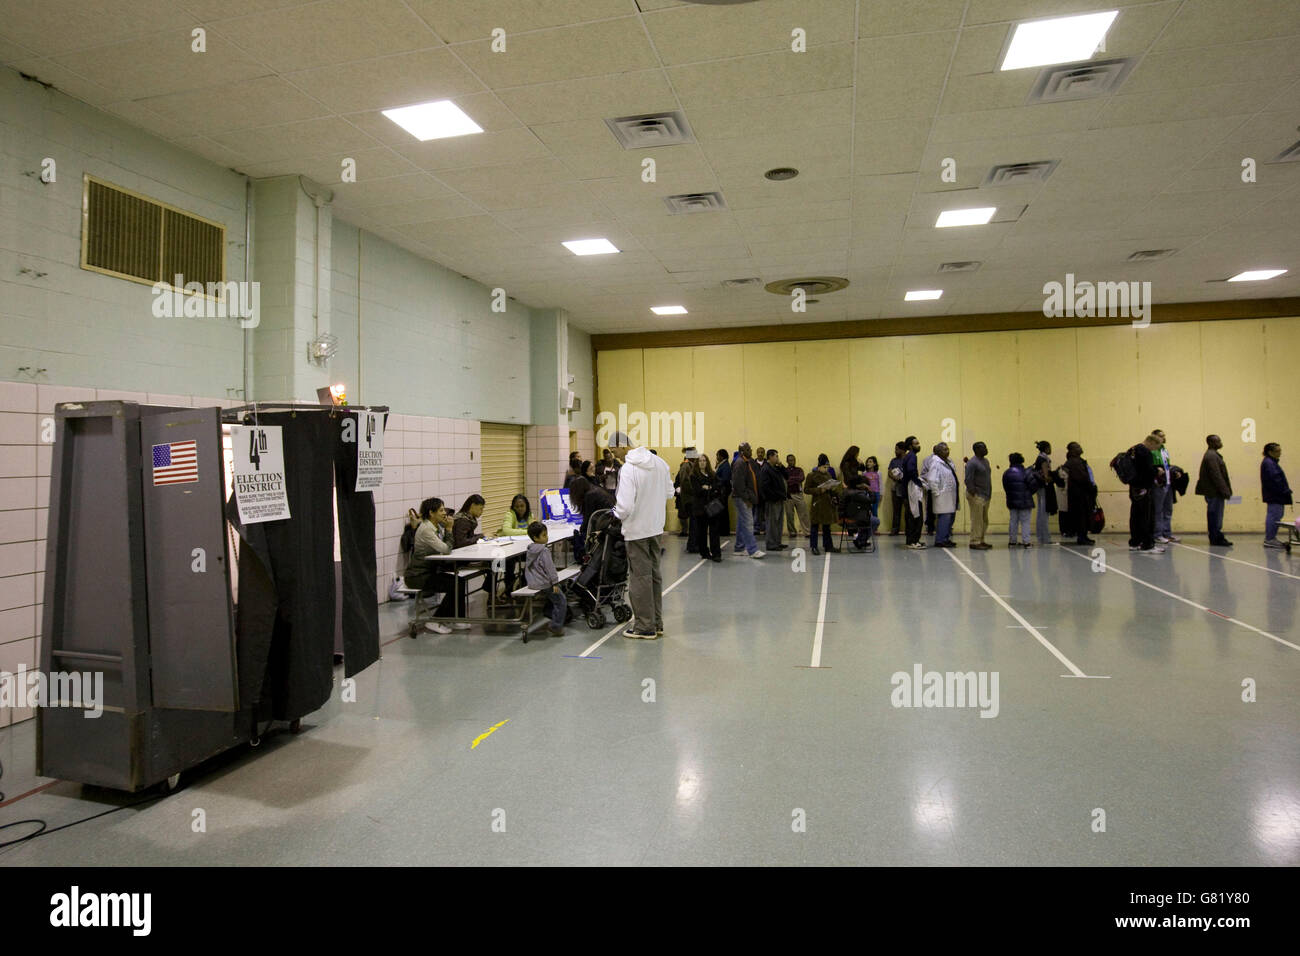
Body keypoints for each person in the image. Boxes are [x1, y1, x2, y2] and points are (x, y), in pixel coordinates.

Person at [612, 444, 675, 639]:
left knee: (640, 578)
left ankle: (644, 627)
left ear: (623, 446)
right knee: (654, 575)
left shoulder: (628, 469)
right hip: (655, 527)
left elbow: (624, 506)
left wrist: (615, 513)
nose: (615, 456)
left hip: (636, 531)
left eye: (615, 451)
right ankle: (656, 622)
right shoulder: (660, 463)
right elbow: (669, 493)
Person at [403, 497, 470, 633]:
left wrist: (446, 530)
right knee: (454, 584)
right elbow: (446, 549)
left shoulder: (436, 527)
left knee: (460, 581)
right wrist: (450, 529)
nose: (445, 513)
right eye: (441, 510)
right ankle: (435, 621)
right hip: (417, 576)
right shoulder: (426, 529)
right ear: (431, 513)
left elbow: (445, 547)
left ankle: (455, 618)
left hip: (430, 572)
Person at [524, 521, 566, 637]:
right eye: (544, 535)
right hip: (545, 583)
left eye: (546, 534)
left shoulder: (530, 550)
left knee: (555, 598)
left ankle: (549, 613)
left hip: (532, 583)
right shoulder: (544, 550)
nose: (547, 537)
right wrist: (555, 583)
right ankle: (555, 626)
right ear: (535, 538)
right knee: (561, 600)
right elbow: (550, 568)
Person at [1195, 434, 1233, 547]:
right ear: (1211, 443)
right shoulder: (1211, 456)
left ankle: (1217, 536)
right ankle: (1216, 538)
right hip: (1214, 492)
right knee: (1215, 516)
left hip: (1215, 492)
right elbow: (1216, 476)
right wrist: (1225, 491)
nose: (1220, 443)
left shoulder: (1213, 455)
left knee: (1215, 515)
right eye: (1218, 441)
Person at [1128, 434, 1163, 553]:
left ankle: (1135, 542)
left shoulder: (1133, 449)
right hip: (1144, 488)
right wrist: (1157, 471)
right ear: (1151, 442)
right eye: (1157, 446)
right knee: (1146, 516)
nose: (1156, 449)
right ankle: (1147, 544)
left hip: (1134, 488)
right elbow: (1147, 471)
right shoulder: (1145, 452)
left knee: (1135, 515)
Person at [730, 443, 765, 559]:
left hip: (744, 497)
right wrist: (747, 499)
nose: (751, 450)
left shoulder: (747, 462)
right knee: (749, 523)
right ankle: (752, 550)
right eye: (748, 449)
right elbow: (738, 484)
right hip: (742, 498)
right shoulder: (740, 463)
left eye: (750, 448)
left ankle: (739, 548)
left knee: (742, 522)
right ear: (742, 452)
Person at [689, 452, 724, 562]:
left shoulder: (712, 474)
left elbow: (718, 487)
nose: (702, 463)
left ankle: (716, 554)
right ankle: (704, 552)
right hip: (700, 508)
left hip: (712, 507)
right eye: (700, 461)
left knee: (714, 531)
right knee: (702, 532)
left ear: (707, 462)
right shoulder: (694, 476)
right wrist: (709, 489)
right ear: (697, 463)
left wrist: (708, 488)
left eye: (704, 460)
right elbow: (697, 491)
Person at [1061, 442, 1096, 546]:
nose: (1080, 448)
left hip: (1080, 494)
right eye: (1077, 447)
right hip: (1079, 494)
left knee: (1083, 516)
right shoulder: (1074, 462)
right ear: (1072, 450)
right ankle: (1082, 537)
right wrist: (1091, 488)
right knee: (1081, 516)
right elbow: (1082, 478)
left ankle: (1084, 536)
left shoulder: (1076, 461)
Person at [804, 456, 841, 555]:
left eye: (827, 467)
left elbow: (831, 488)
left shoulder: (828, 475)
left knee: (827, 526)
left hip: (827, 504)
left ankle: (828, 546)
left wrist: (834, 489)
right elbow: (806, 489)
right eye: (824, 467)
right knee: (815, 526)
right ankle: (814, 547)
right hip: (817, 504)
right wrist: (819, 490)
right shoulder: (811, 475)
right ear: (819, 466)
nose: (826, 469)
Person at [924, 442, 959, 547]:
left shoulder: (948, 462)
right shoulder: (935, 462)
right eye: (944, 449)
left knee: (950, 518)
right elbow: (931, 479)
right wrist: (937, 493)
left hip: (950, 496)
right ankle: (940, 540)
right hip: (942, 496)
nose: (947, 451)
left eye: (948, 449)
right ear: (938, 452)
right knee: (945, 518)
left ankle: (946, 538)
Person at [1151, 429, 1180, 544]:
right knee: (1158, 510)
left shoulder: (1164, 450)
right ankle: (1157, 534)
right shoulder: (1152, 451)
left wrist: (1174, 472)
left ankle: (1166, 533)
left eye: (1164, 435)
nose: (1163, 438)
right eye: (1160, 436)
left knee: (1168, 509)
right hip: (1158, 485)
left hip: (1168, 483)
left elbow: (1166, 466)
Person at [1261, 442, 1291, 549]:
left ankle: (1271, 538)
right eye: (1277, 451)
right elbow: (1275, 480)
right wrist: (1284, 490)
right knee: (1274, 516)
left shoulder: (1271, 463)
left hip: (1275, 495)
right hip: (1275, 496)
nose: (1280, 453)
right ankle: (1270, 539)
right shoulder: (1269, 463)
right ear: (1270, 452)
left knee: (1276, 516)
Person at [759, 448, 788, 552]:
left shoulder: (776, 468)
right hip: (772, 500)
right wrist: (774, 497)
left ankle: (777, 542)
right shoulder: (766, 469)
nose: (778, 458)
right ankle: (771, 544)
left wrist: (781, 466)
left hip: (779, 499)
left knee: (778, 523)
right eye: (776, 456)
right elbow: (765, 487)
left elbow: (787, 475)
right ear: (770, 457)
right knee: (772, 523)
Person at [964, 442, 992, 550]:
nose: (986, 449)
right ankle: (975, 542)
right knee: (977, 520)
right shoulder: (972, 463)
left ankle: (981, 540)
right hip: (977, 495)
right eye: (983, 447)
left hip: (986, 495)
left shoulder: (985, 461)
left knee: (984, 520)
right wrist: (974, 493)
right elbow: (968, 479)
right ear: (977, 450)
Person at [1003, 453, 1035, 547]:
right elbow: (1032, 486)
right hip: (1025, 500)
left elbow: (1006, 487)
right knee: (1025, 521)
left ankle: (1012, 541)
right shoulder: (1026, 472)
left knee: (1013, 520)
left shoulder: (1007, 473)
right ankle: (1026, 541)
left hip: (1012, 500)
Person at [1032, 440, 1059, 545]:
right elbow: (1046, 477)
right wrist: (1056, 475)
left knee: (1040, 513)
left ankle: (1040, 537)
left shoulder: (1039, 458)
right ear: (1046, 448)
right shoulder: (1043, 460)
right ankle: (1046, 538)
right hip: (1044, 488)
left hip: (1039, 488)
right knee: (1044, 513)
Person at [902, 436, 926, 549]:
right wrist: (919, 482)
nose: (918, 445)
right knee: (916, 516)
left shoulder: (908, 456)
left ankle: (911, 540)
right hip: (912, 490)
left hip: (908, 489)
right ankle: (913, 541)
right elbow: (911, 471)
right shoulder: (912, 456)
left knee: (911, 516)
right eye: (916, 443)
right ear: (911, 446)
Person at [785, 454, 810, 539]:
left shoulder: (799, 470)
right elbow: (785, 481)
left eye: (793, 460)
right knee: (789, 515)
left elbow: (801, 478)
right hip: (788, 495)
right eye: (790, 460)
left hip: (798, 494)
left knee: (804, 514)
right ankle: (792, 532)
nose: (792, 462)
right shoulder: (784, 470)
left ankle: (807, 532)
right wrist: (793, 480)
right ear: (787, 461)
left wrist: (790, 480)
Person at [674, 451, 696, 547]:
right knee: (691, 521)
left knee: (693, 522)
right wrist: (696, 490)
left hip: (689, 497)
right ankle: (692, 544)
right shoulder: (686, 466)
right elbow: (685, 482)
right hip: (688, 498)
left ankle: (692, 543)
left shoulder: (690, 466)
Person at [887, 442, 907, 535]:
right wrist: (895, 478)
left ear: (902, 450)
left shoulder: (908, 459)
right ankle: (895, 529)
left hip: (906, 488)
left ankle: (909, 530)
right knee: (896, 510)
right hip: (896, 488)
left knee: (908, 510)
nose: (895, 451)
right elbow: (890, 472)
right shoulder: (893, 461)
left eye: (897, 449)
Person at [714, 448, 732, 532]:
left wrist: (716, 481)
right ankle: (722, 529)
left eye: (717, 455)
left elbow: (725, 479)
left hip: (723, 490)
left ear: (721, 456)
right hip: (722, 490)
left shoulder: (725, 466)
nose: (716, 457)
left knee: (723, 511)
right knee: (721, 510)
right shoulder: (722, 464)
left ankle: (723, 530)